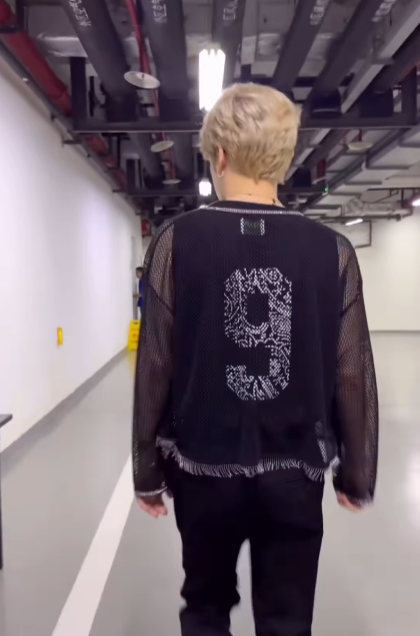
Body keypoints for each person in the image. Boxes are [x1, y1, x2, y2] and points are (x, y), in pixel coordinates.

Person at [132, 83, 378, 636]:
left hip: (203, 471)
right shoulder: (333, 250)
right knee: (288, 618)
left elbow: (156, 365)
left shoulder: (176, 241)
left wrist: (148, 469)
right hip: (295, 474)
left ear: (218, 156)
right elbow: (351, 369)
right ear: (284, 158)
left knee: (204, 607)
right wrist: (357, 471)